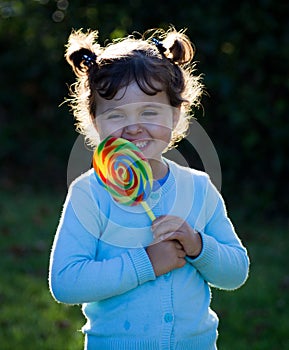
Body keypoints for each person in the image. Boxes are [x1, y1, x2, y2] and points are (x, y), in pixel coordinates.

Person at [49, 27, 249, 350]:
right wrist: (147, 263)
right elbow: (65, 282)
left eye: (149, 112)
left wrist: (196, 244)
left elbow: (236, 271)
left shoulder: (199, 189)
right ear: (94, 121)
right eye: (116, 115)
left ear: (176, 114)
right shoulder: (90, 194)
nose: (133, 126)